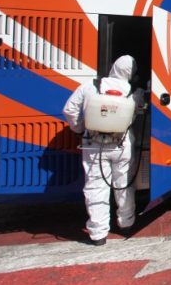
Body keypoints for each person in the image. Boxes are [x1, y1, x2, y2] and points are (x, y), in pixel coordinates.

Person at [62, 55, 145, 246]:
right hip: (122, 145)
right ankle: (126, 223)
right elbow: (143, 109)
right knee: (123, 185)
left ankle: (98, 234)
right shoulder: (135, 92)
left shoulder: (89, 86)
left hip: (94, 145)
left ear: (113, 67)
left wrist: (80, 128)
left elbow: (69, 110)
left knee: (96, 187)